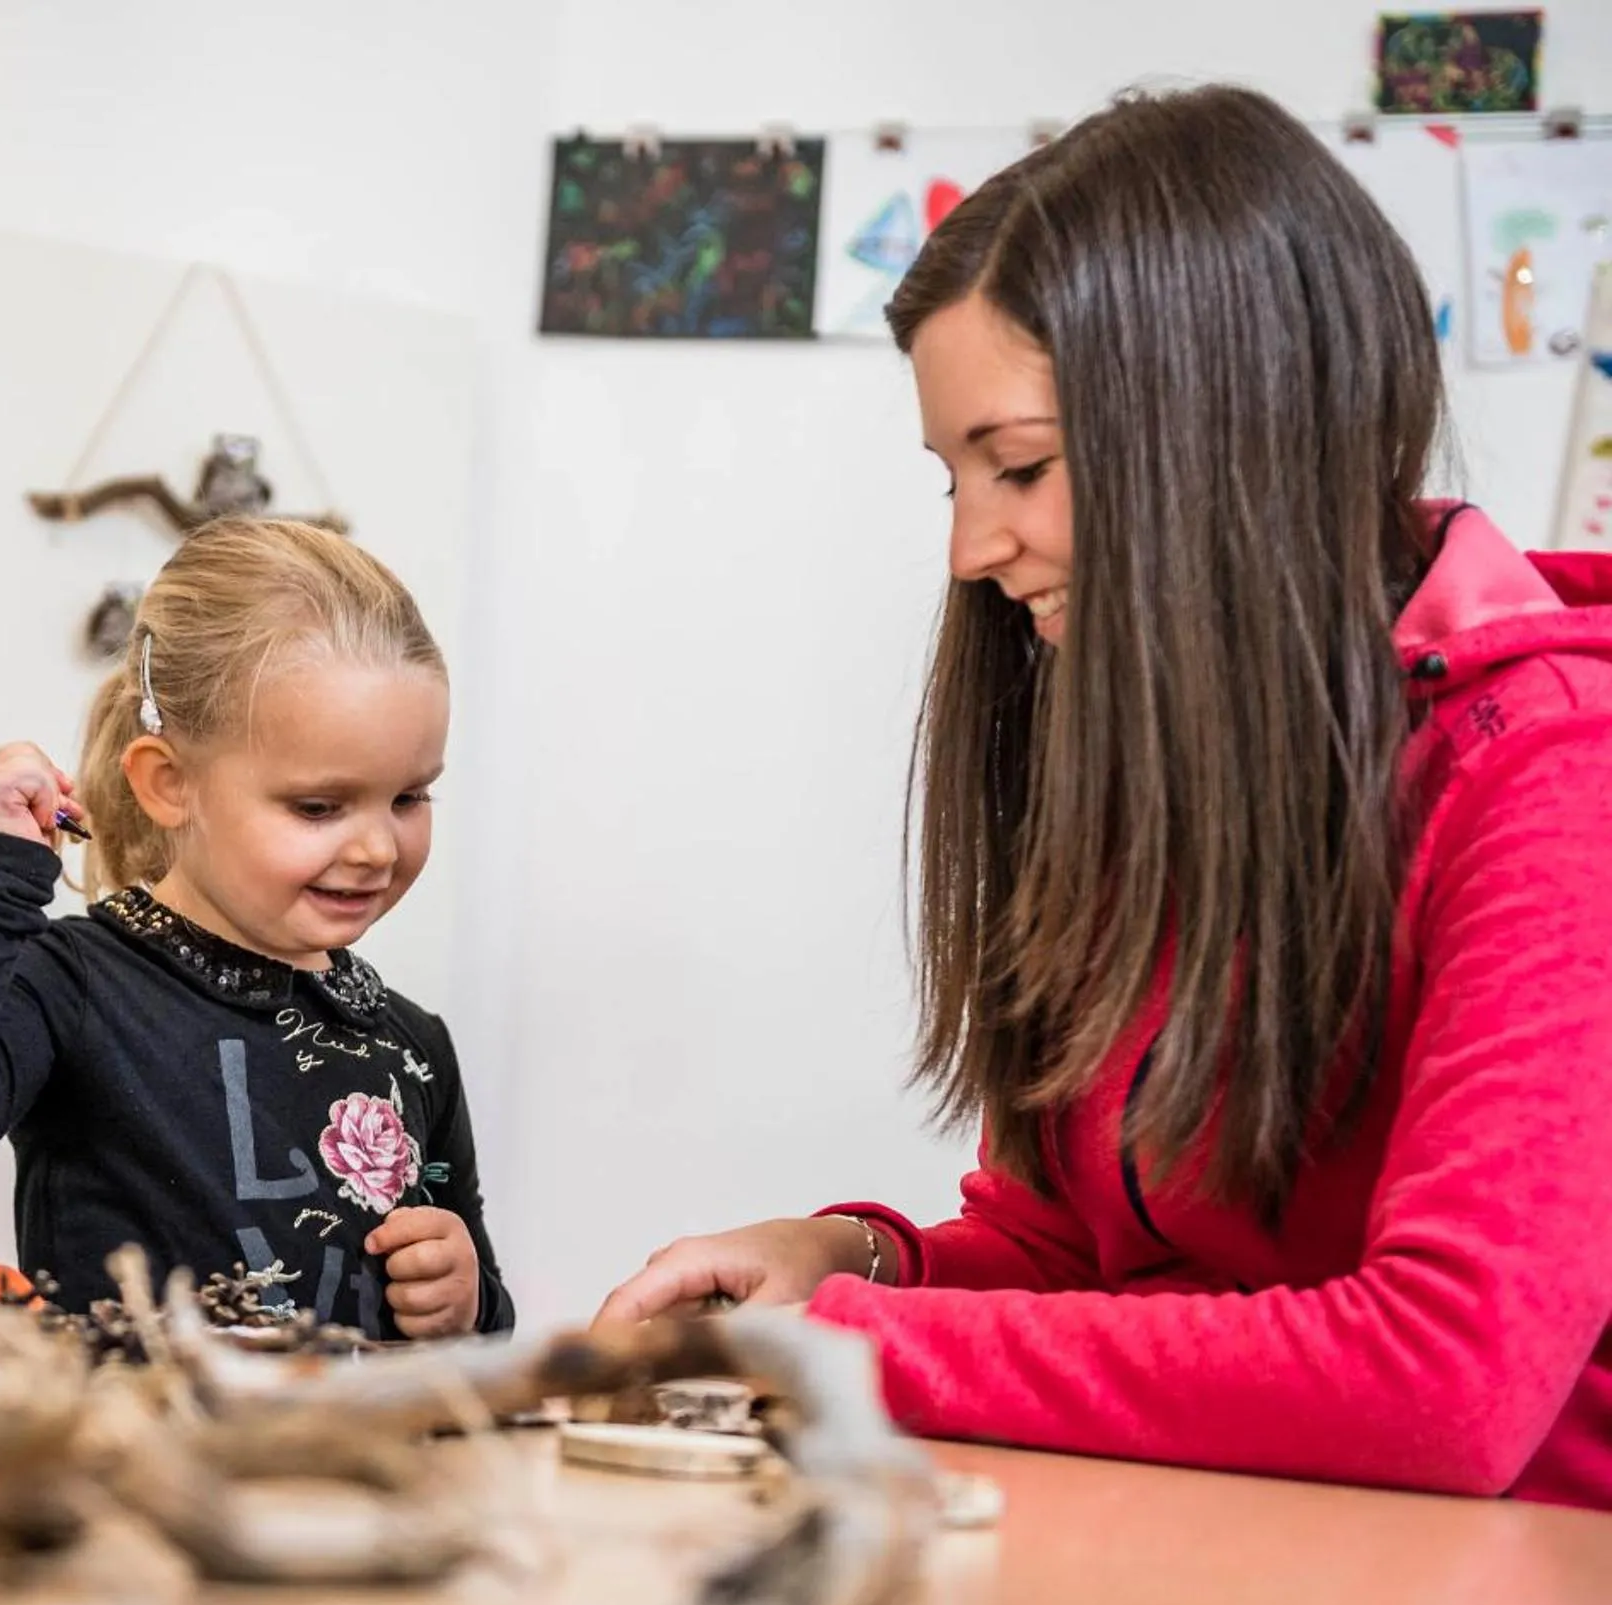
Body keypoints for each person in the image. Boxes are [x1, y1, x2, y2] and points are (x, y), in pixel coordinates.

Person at [595, 85, 1612, 1507]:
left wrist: (847, 1345)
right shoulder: (1156, 745)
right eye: (952, 481)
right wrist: (861, 1260)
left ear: (1230, 427)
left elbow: (1447, 1379)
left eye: (1018, 466)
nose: (972, 549)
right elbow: (1082, 1254)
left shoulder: (1554, 770)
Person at [0, 517, 513, 1339]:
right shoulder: (76, 984)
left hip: (344, 1430)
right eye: (318, 806)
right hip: (126, 1428)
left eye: (408, 797)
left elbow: (487, 1337)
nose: (376, 848)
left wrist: (470, 1299)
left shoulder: (413, 1044)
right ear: (168, 783)